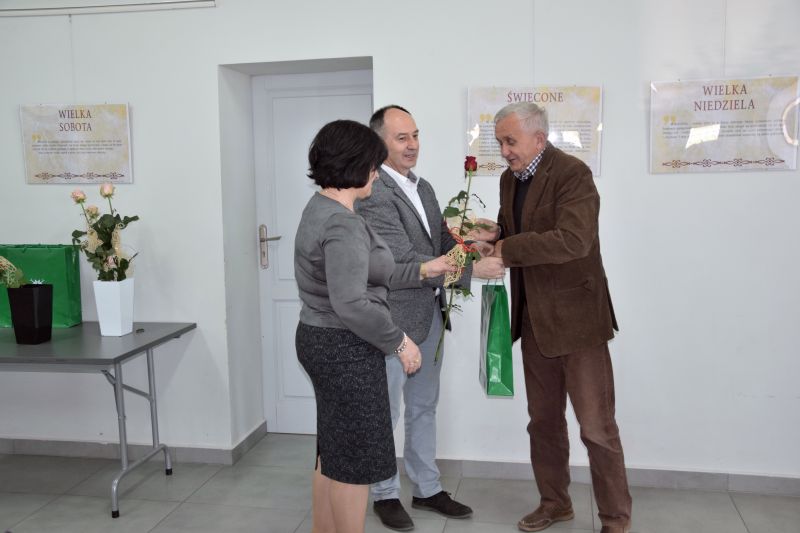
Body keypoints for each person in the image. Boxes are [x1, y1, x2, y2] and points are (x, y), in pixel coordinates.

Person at [469, 102, 632, 533]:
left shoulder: (573, 174)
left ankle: (616, 518)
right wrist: (494, 235)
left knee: (596, 428)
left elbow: (573, 240)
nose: (504, 150)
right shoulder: (509, 180)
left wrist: (506, 248)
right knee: (542, 423)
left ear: (538, 138)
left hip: (579, 323)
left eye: (510, 141)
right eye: (500, 142)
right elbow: (519, 230)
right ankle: (555, 503)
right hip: (533, 322)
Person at [294, 119, 457, 533]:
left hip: (320, 338)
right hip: (343, 348)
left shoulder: (324, 207)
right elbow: (350, 303)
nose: (377, 173)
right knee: (353, 464)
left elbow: (374, 271)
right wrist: (401, 342)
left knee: (332, 454)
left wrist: (425, 269)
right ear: (354, 164)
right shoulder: (343, 222)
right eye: (372, 164)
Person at [356, 105, 506, 531]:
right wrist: (474, 271)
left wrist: (474, 245)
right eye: (402, 137)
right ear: (379, 143)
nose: (413, 145)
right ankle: (384, 494)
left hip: (429, 317)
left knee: (423, 408)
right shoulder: (374, 193)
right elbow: (404, 261)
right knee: (385, 412)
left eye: (416, 135)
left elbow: (440, 243)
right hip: (392, 324)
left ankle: (426, 488)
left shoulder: (422, 187)